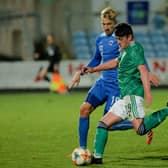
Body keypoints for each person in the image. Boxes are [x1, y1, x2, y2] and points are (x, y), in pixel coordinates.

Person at [69, 7, 160, 151]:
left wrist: (147, 75)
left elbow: (137, 57)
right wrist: (81, 72)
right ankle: (82, 149)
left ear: (114, 23)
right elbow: (96, 59)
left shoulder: (121, 39)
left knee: (108, 124)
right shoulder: (100, 39)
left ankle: (141, 125)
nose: (106, 27)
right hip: (103, 83)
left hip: (117, 86)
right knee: (84, 109)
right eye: (103, 24)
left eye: (108, 24)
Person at [84, 23, 168, 164]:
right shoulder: (124, 49)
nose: (118, 43)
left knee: (140, 129)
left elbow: (142, 70)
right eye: (117, 39)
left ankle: (167, 110)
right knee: (103, 124)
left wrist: (148, 93)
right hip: (124, 98)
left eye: (120, 39)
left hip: (133, 96)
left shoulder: (135, 50)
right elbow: (115, 63)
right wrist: (94, 69)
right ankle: (97, 158)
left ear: (129, 37)